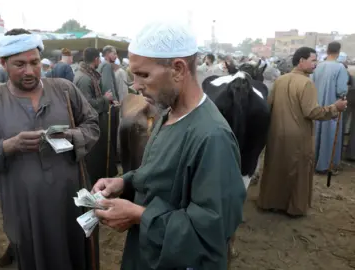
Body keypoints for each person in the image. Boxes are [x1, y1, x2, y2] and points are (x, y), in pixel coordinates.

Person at [92, 20, 246, 270]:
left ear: (178, 69)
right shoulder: (167, 113)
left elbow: (210, 233)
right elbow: (159, 173)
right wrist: (125, 182)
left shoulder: (213, 137)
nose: (136, 85)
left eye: (143, 75)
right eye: (134, 75)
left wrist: (139, 215)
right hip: (147, 252)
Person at [0, 28, 100, 270]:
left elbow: (92, 125)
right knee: (34, 256)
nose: (29, 71)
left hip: (71, 198)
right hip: (24, 206)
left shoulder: (65, 89)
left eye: (34, 62)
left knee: (78, 252)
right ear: (3, 63)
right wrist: (8, 145)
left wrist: (71, 136)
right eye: (19, 64)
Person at [258, 47, 347, 217]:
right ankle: (293, 207)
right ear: (301, 61)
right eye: (313, 60)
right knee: (297, 171)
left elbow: (269, 106)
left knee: (276, 168)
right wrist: (335, 108)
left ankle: (270, 202)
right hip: (298, 137)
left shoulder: (280, 80)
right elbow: (312, 112)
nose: (316, 64)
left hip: (276, 134)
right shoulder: (306, 83)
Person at [74, 47, 117, 183]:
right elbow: (87, 105)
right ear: (97, 59)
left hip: (95, 124)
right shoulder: (85, 78)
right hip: (90, 126)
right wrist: (105, 98)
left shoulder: (87, 75)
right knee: (94, 161)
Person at [312, 42, 349, 174]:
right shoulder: (340, 68)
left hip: (317, 106)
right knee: (330, 134)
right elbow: (342, 90)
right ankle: (327, 165)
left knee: (316, 134)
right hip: (333, 106)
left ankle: (313, 162)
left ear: (327, 50)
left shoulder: (317, 67)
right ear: (338, 51)